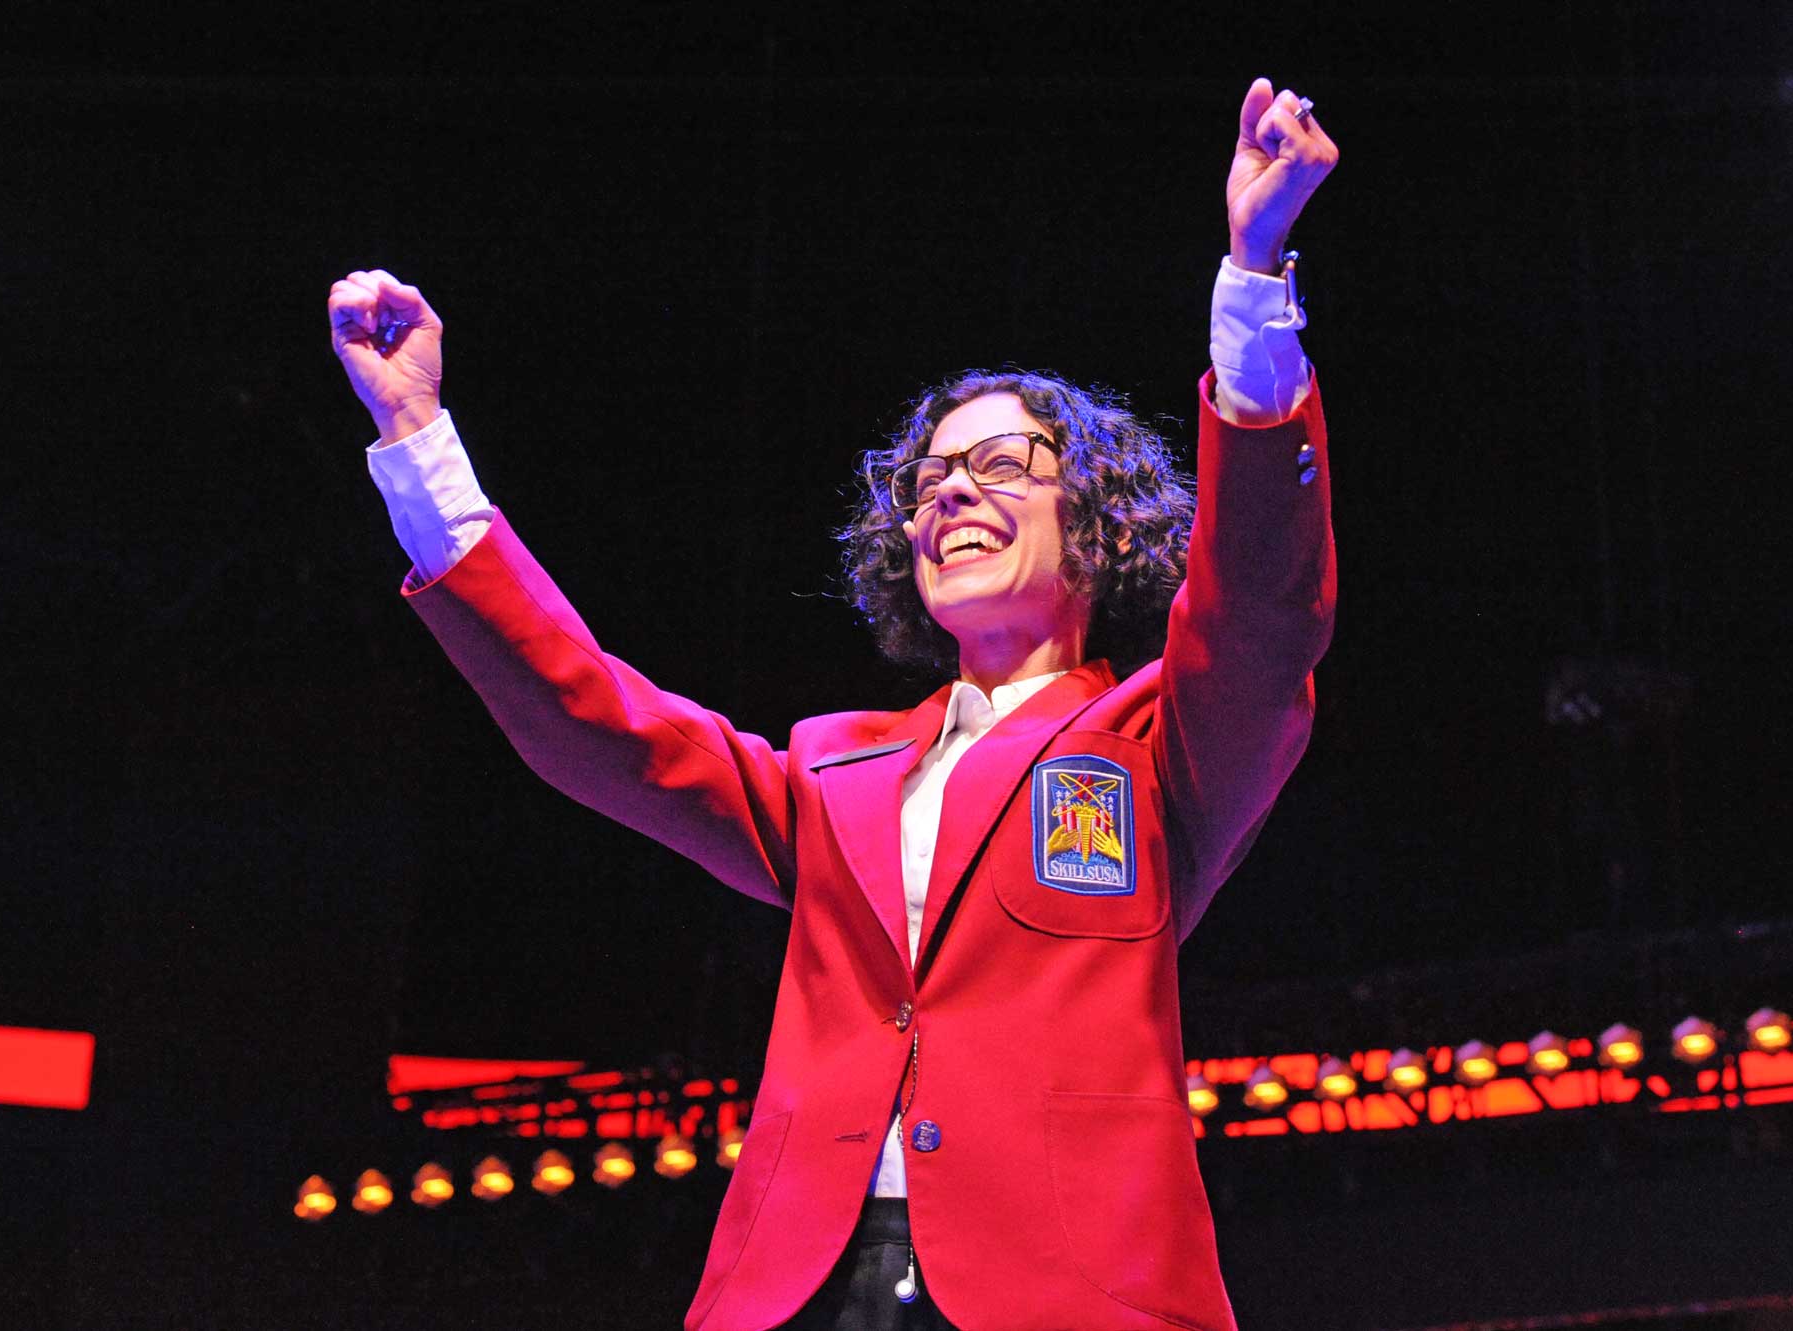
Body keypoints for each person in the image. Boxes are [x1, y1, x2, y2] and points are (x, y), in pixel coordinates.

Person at [329, 77, 1337, 1331]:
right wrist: (419, 438)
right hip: (800, 1288)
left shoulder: (1157, 746)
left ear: (1097, 526)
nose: (949, 493)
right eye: (929, 479)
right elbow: (598, 725)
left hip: (1067, 1290)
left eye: (999, 464)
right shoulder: (828, 767)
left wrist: (1251, 275)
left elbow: (1260, 608)